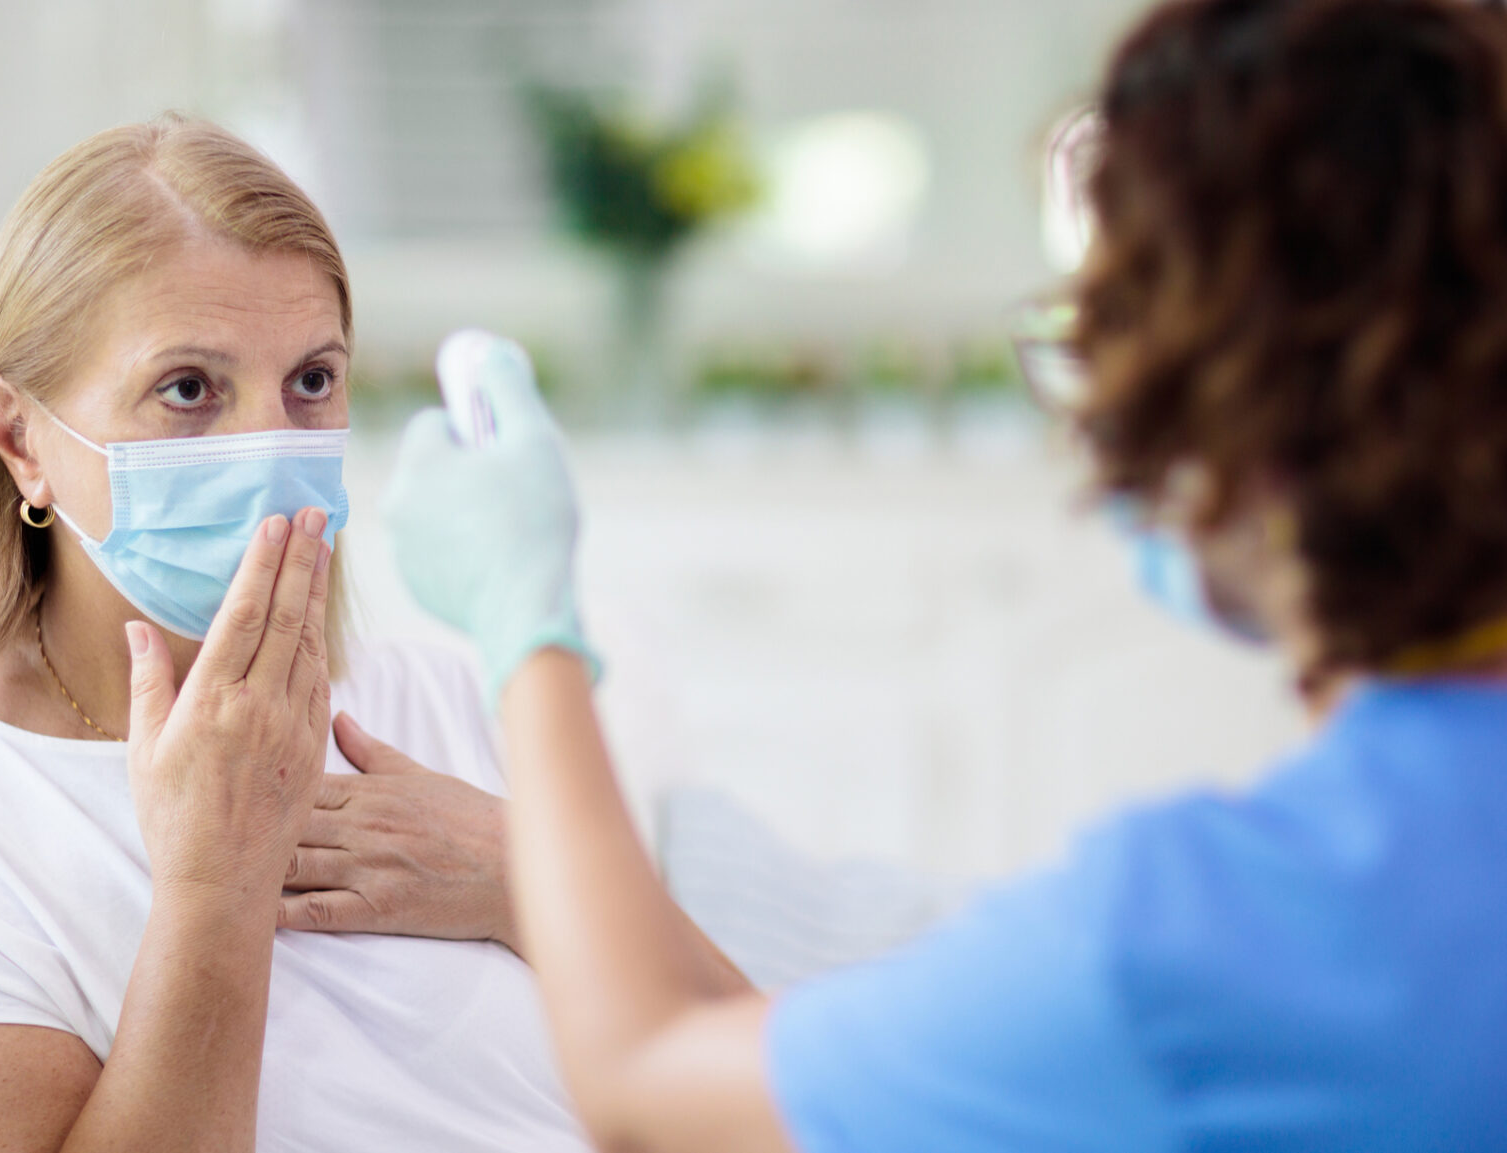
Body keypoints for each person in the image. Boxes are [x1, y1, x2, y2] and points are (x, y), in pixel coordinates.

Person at [374, 1, 1507, 1149]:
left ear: (1236, 413)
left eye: (1104, 343)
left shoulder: (1199, 933)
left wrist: (527, 625)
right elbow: (845, 1070)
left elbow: (650, 1088)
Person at [0, 114, 741, 1152]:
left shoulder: (449, 703)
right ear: (21, 438)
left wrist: (516, 872)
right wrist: (217, 888)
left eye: (311, 382)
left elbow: (777, 1095)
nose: (269, 449)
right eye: (190, 389)